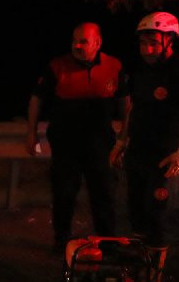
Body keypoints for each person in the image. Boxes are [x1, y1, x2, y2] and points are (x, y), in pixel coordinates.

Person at [109, 12, 179, 282]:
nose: (147, 49)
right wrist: (121, 141)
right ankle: (137, 268)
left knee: (157, 213)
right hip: (138, 151)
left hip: (164, 156)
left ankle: (155, 277)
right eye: (143, 43)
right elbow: (133, 108)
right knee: (136, 210)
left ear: (169, 41)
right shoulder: (141, 71)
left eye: (153, 42)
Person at [26, 23, 129, 252]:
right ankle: (61, 242)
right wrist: (32, 131)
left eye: (83, 41)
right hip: (66, 144)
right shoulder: (57, 66)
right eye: (74, 41)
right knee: (64, 195)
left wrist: (124, 136)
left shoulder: (113, 66)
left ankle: (107, 244)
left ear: (97, 43)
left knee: (103, 195)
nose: (77, 45)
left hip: (101, 144)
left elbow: (125, 102)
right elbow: (37, 99)